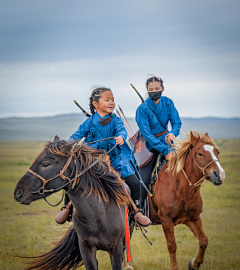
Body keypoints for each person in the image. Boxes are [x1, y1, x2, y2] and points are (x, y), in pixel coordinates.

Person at [56, 86, 151, 227]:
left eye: (112, 99)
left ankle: (136, 211)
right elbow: (77, 135)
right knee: (73, 178)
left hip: (115, 159)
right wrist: (67, 144)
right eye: (107, 100)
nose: (112, 102)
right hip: (92, 160)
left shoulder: (115, 120)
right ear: (96, 104)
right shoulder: (90, 122)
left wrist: (120, 137)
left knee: (136, 184)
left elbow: (122, 131)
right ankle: (67, 207)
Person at [136, 76, 182, 205]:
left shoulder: (168, 102)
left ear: (162, 88)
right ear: (147, 90)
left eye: (157, 88)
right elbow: (148, 135)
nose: (154, 91)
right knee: (143, 180)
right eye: (151, 89)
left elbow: (176, 122)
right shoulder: (142, 110)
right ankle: (139, 209)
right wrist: (165, 150)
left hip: (168, 142)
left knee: (185, 171)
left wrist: (173, 133)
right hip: (149, 147)